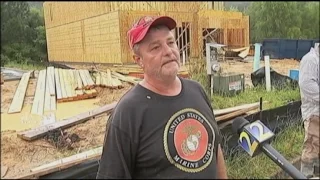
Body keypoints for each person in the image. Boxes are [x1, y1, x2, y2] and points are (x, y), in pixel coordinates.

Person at [96, 15, 228, 179]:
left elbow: (216, 150)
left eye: (171, 42)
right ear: (139, 60)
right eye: (155, 47)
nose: (168, 51)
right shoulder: (127, 112)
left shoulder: (197, 91)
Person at [298, 43, 319, 178]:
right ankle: (305, 176)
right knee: (311, 148)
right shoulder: (310, 60)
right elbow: (306, 84)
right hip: (314, 113)